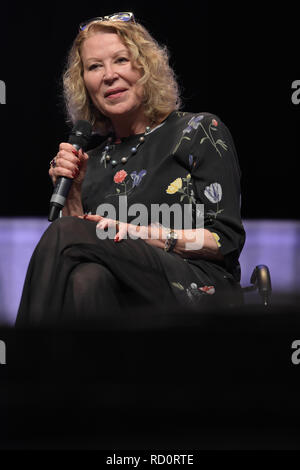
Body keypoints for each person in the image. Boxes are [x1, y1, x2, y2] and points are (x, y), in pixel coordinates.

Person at [16, 12, 245, 326]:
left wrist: (139, 233)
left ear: (146, 67)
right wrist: (74, 194)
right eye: (95, 66)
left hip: (196, 290)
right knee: (88, 277)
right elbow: (79, 249)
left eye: (121, 60)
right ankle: (100, 374)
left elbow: (225, 242)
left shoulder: (198, 130)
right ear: (84, 83)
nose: (109, 75)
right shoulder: (92, 158)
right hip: (120, 299)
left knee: (72, 238)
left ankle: (22, 364)